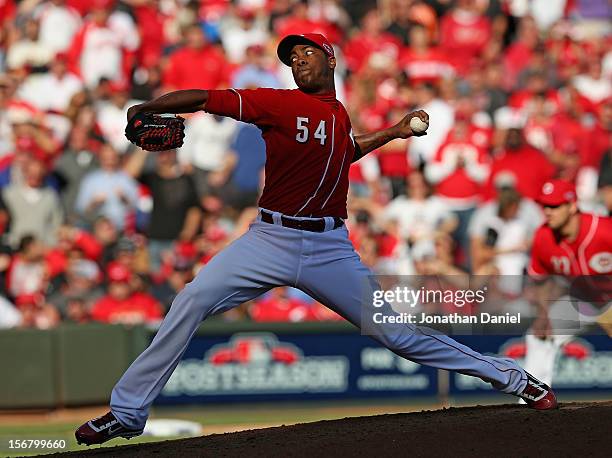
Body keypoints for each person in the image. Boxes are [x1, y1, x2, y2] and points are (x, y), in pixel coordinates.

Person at [75, 33, 557, 447]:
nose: (298, 60)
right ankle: (128, 412)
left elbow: (344, 152)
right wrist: (151, 106)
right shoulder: (278, 103)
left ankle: (515, 378)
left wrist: (390, 132)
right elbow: (205, 97)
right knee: (191, 298)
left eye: (307, 52)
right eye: (292, 56)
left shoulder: (339, 115)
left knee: (397, 333)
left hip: (329, 250)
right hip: (268, 238)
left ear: (331, 60)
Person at [524, 180, 612, 386]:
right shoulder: (543, 237)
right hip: (582, 300)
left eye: (554, 206)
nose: (548, 211)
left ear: (572, 206)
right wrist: (543, 313)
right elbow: (540, 280)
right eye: (545, 205)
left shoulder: (604, 230)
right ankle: (533, 403)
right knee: (538, 336)